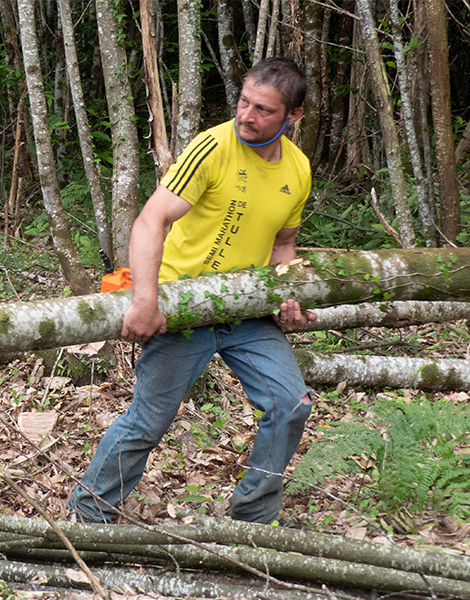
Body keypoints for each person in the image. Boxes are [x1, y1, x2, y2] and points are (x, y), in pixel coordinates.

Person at [67, 57, 316, 525]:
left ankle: (251, 519)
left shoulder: (297, 169)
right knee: (148, 422)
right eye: (243, 101)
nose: (246, 115)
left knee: (291, 403)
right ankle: (88, 516)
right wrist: (146, 299)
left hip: (247, 312)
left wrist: (289, 298)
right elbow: (150, 219)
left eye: (263, 109)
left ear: (292, 117)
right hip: (182, 307)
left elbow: (283, 244)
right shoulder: (213, 147)